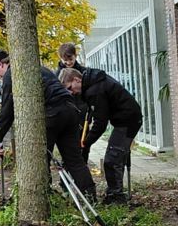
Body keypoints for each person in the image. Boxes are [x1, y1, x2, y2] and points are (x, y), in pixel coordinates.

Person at [0, 48, 95, 200]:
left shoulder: (12, 74)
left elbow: (7, 108)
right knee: (75, 160)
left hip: (53, 114)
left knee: (41, 159)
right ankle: (91, 197)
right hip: (70, 111)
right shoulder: (40, 68)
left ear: (0, 64)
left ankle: (45, 199)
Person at [58, 67, 143, 204]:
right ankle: (114, 193)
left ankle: (116, 197)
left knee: (112, 159)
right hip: (124, 119)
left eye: (70, 87)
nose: (71, 92)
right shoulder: (92, 82)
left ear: (76, 79)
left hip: (128, 120)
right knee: (115, 157)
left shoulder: (95, 89)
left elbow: (101, 123)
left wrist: (86, 142)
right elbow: (94, 113)